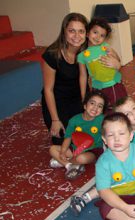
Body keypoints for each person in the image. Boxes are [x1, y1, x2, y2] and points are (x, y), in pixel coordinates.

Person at [41, 13, 88, 145]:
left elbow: (108, 52)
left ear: (86, 33)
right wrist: (55, 120)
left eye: (81, 31)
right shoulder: (52, 54)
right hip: (58, 101)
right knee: (63, 140)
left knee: (88, 139)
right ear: (64, 32)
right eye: (71, 31)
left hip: (79, 98)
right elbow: (48, 90)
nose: (77, 36)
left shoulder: (88, 51)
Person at [49, 91, 106, 180]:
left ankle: (63, 162)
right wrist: (63, 151)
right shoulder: (74, 120)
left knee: (81, 159)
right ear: (85, 105)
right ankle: (68, 165)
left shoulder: (102, 120)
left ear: (102, 111)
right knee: (52, 149)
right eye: (92, 103)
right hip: (75, 148)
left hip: (93, 151)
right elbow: (68, 137)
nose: (95, 108)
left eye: (100, 106)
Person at [78, 17, 125, 112]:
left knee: (121, 108)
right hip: (98, 87)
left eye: (102, 35)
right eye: (95, 32)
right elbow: (83, 76)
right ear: (87, 33)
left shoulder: (106, 47)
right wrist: (84, 96)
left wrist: (114, 55)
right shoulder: (81, 56)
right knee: (103, 111)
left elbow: (118, 61)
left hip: (115, 85)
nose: (98, 37)